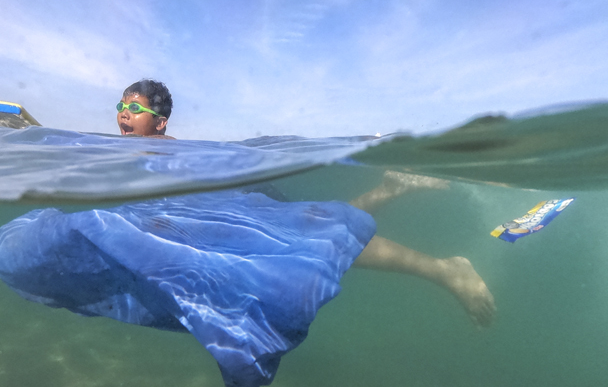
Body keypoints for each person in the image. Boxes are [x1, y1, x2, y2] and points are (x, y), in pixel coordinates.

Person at [115, 79, 495, 327]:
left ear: (160, 123)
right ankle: (389, 189)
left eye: (134, 109)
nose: (122, 114)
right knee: (327, 228)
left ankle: (446, 269)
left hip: (244, 206)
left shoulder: (164, 153)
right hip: (234, 214)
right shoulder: (131, 154)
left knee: (324, 239)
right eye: (120, 106)